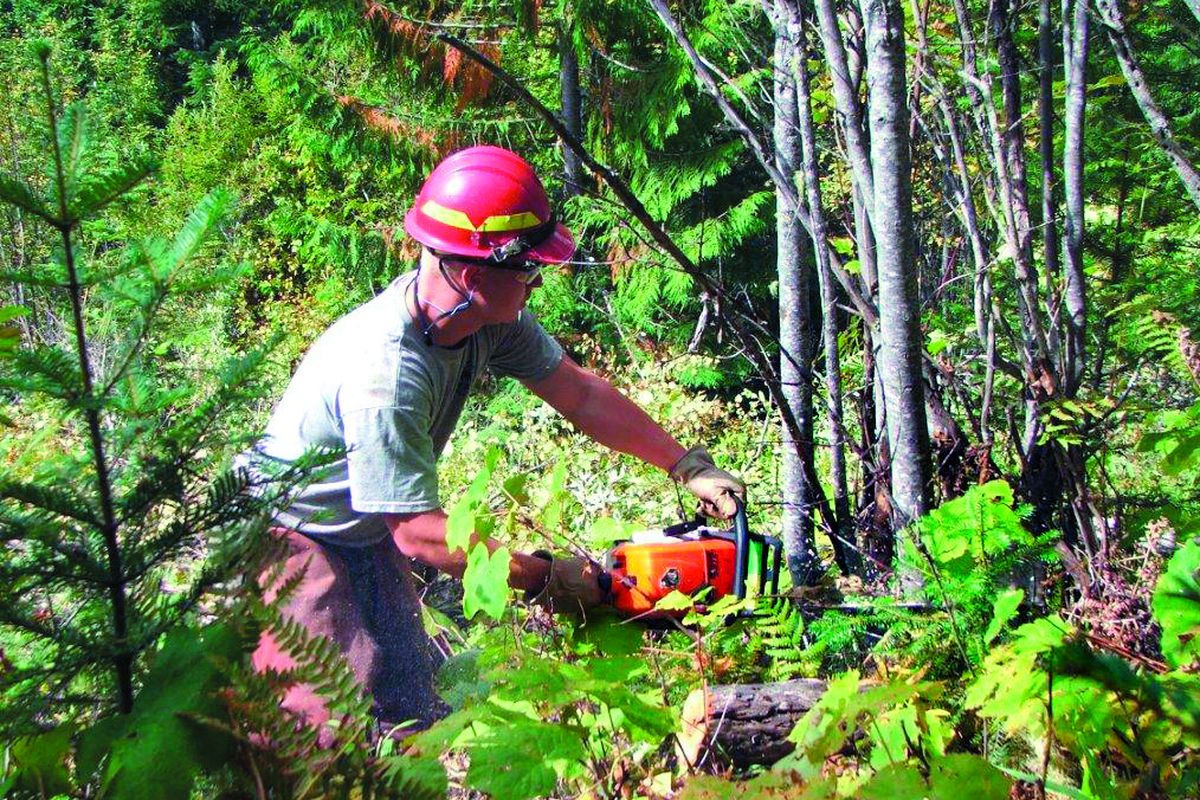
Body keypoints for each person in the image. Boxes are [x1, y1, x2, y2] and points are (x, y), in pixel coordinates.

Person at [247, 145, 744, 736]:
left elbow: (578, 393)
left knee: (409, 705)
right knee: (321, 733)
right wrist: (543, 576)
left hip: (365, 527)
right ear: (475, 275)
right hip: (291, 534)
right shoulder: (385, 375)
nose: (536, 283)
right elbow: (421, 535)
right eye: (529, 271)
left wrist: (687, 465)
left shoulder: (485, 318)